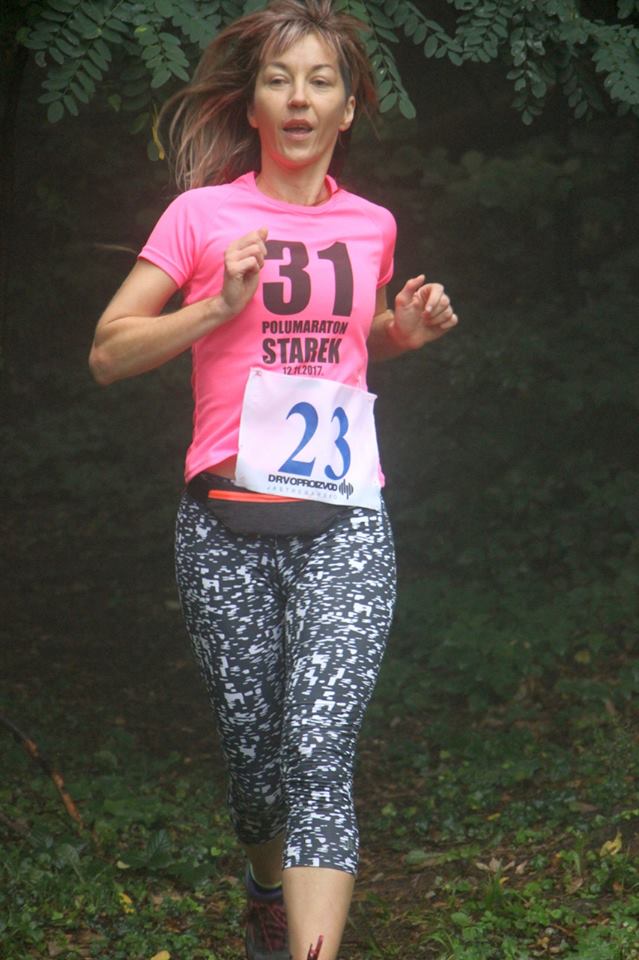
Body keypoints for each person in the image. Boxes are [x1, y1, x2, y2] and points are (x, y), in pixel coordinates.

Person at [89, 2, 458, 958]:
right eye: (279, 80)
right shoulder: (199, 216)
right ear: (252, 104)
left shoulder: (370, 224)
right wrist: (216, 304)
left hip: (345, 520)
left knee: (318, 754)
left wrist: (399, 334)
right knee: (256, 773)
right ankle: (263, 887)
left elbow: (347, 345)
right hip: (222, 525)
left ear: (347, 109)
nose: (299, 98)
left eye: (320, 81)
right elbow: (109, 352)